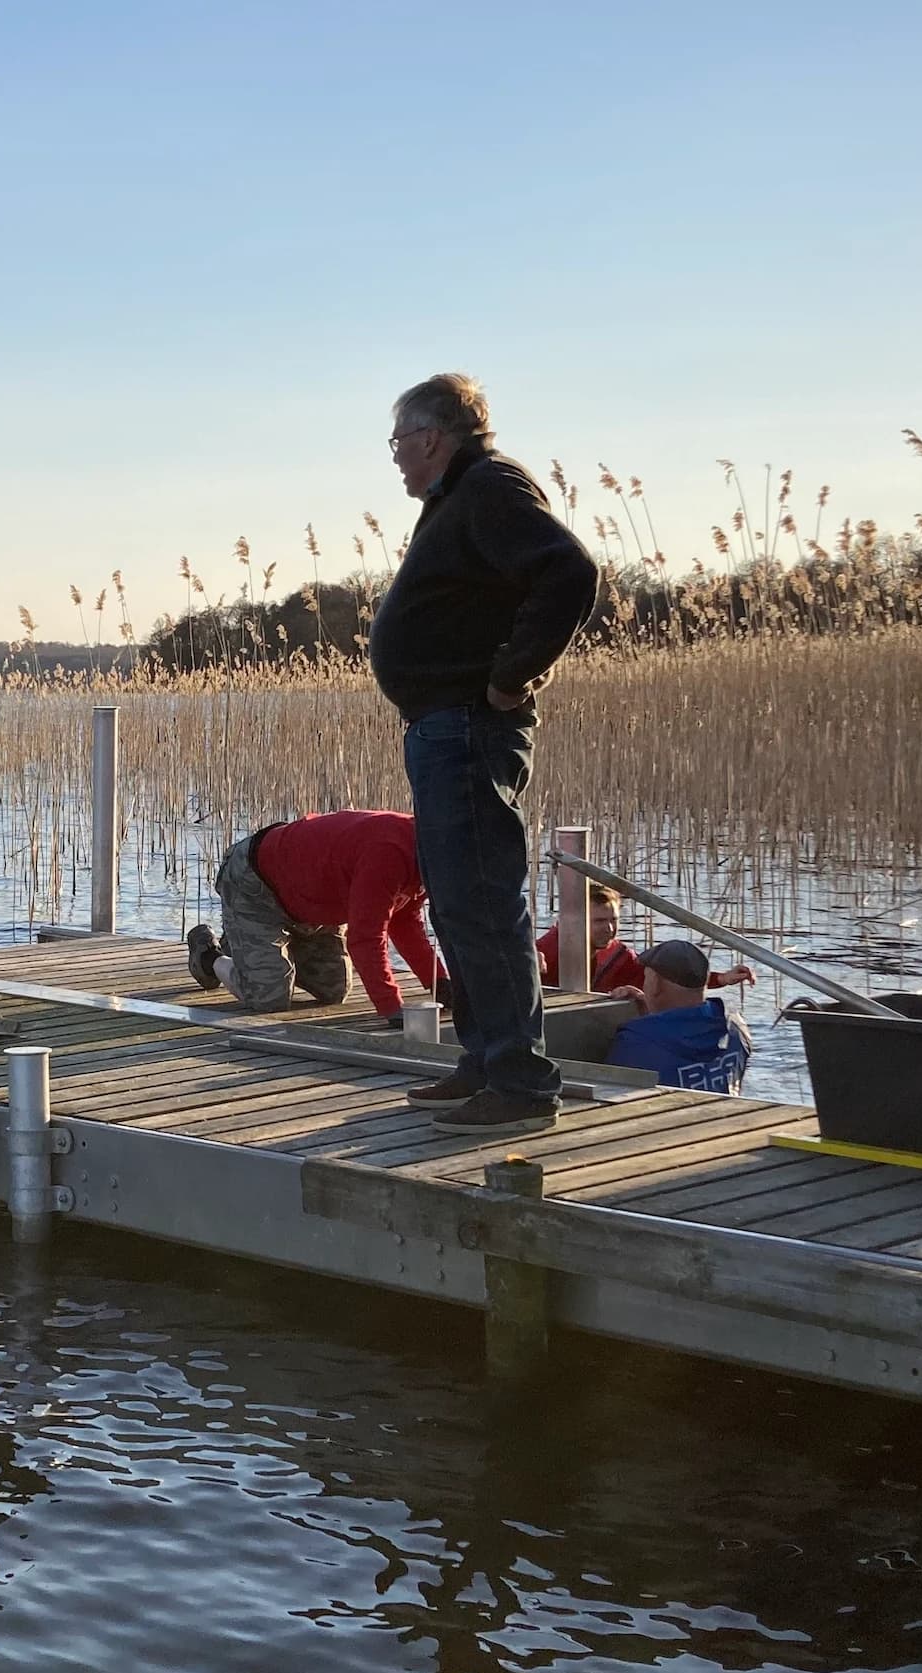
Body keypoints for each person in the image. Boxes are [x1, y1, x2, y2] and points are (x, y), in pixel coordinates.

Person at [369, 374, 600, 1133]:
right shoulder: (459, 498)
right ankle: (483, 1059)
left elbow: (569, 571)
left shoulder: (489, 486)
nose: (395, 457)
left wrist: (510, 677)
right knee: (457, 897)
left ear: (433, 437)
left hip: (469, 725)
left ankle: (521, 1083)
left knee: (482, 898)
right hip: (444, 725)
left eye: (399, 441)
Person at [185, 809, 446, 1025]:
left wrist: (440, 983)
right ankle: (210, 956)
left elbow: (404, 920)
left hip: (313, 906)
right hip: (255, 886)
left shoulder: (426, 855)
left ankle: (247, 946)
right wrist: (391, 1008)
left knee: (334, 990)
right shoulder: (389, 853)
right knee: (269, 999)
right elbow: (365, 937)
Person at [538, 881, 755, 992]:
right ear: (575, 922)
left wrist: (722, 979)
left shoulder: (620, 957)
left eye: (613, 920)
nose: (610, 929)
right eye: (599, 922)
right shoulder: (547, 951)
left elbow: (668, 978)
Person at [603, 939, 754, 1093]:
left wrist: (646, 1023)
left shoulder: (634, 1043)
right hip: (731, 1114)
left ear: (655, 984)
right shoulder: (737, 1028)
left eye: (646, 977)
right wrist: (651, 1013)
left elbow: (607, 1091)